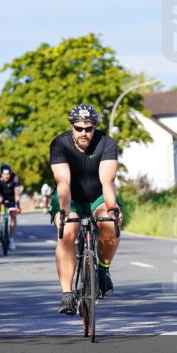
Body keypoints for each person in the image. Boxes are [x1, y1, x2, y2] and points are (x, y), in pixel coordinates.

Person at [49, 103, 122, 315]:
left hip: (98, 195)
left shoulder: (106, 143)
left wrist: (111, 210)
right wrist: (63, 212)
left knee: (110, 224)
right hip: (70, 196)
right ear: (72, 126)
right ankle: (67, 294)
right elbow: (63, 182)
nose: (84, 133)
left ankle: (103, 270)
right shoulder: (60, 144)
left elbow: (107, 181)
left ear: (94, 128)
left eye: (88, 128)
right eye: (78, 128)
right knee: (68, 232)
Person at [0, 163, 23, 249]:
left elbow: (17, 193)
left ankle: (11, 239)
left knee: (13, 216)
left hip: (12, 197)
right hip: (1, 195)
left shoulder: (15, 178)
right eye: (5, 174)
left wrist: (18, 205)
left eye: (8, 174)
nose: (7, 176)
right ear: (1, 174)